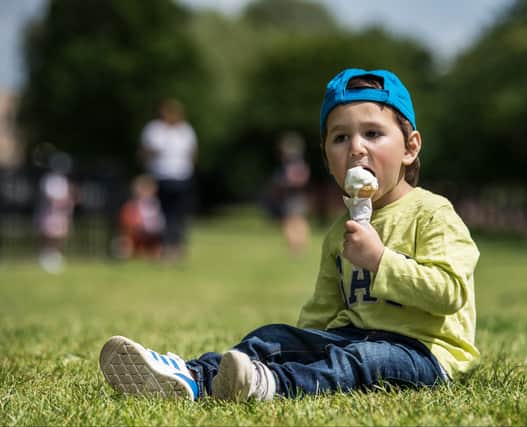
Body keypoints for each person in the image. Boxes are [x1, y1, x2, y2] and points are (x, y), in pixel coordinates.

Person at [99, 68, 480, 402]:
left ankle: (271, 384)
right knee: (273, 336)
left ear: (410, 148)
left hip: (424, 354)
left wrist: (380, 261)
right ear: (326, 156)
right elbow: (323, 310)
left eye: (373, 133)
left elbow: (448, 294)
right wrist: (300, 345)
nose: (356, 148)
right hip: (353, 338)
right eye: (340, 138)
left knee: (360, 360)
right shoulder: (339, 233)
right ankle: (194, 376)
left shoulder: (432, 213)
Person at [139, 98, 197, 261]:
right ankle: (164, 247)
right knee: (162, 215)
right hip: (161, 177)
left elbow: (192, 153)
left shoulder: (185, 130)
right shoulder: (154, 129)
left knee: (179, 214)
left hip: (181, 177)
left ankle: (177, 247)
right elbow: (145, 152)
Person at [264, 131, 311, 254]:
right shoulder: (293, 162)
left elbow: (298, 179)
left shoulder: (293, 163)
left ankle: (296, 246)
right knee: (296, 220)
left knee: (292, 221)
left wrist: (283, 183)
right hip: (292, 197)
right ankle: (298, 246)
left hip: (293, 196)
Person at [35, 152, 75, 274]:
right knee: (50, 236)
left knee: (60, 236)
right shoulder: (49, 180)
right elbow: (53, 198)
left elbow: (69, 196)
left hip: (61, 214)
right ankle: (47, 257)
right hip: (50, 214)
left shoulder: (63, 180)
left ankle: (55, 256)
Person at [116, 175, 165, 260]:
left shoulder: (157, 204)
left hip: (154, 233)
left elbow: (161, 221)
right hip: (135, 233)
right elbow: (125, 222)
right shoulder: (131, 206)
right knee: (124, 240)